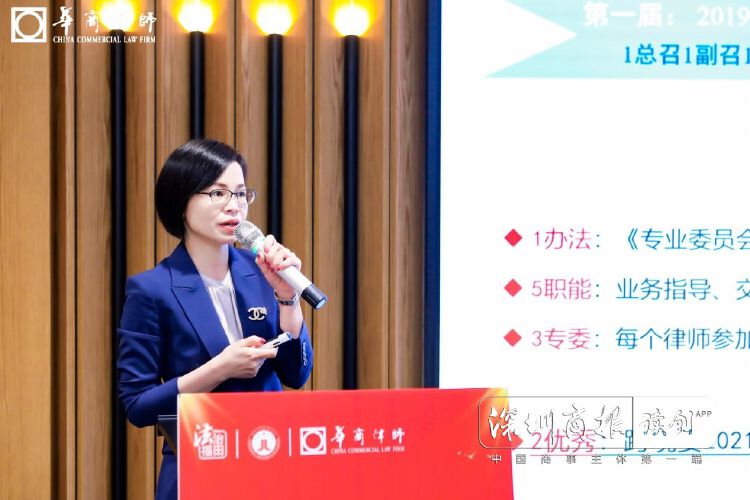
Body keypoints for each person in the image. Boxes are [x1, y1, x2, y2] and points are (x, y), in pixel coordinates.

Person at [117, 139, 313, 499]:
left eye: (241, 193)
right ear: (181, 200)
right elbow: (138, 406)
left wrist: (288, 298)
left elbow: (295, 374)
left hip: (270, 462)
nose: (234, 206)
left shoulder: (261, 272)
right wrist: (219, 369)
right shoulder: (152, 290)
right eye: (218, 193)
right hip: (200, 466)